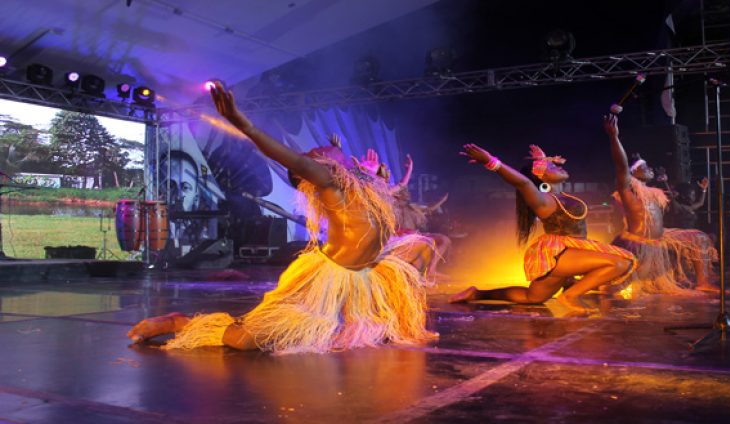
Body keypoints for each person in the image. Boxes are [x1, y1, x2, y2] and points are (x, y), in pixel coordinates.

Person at [128, 82, 437, 353]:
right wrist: (243, 124)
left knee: (423, 247)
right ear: (318, 165)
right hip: (326, 282)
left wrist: (376, 178)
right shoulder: (327, 182)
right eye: (320, 151)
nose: (328, 149)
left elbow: (383, 212)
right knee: (246, 340)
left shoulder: (360, 185)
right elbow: (283, 155)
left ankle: (368, 318)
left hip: (364, 278)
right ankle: (178, 322)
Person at [449, 143, 636, 314]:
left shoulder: (560, 195)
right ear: (542, 177)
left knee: (533, 298)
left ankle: (476, 294)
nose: (559, 166)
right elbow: (523, 183)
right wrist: (491, 161)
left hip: (574, 251)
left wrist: (543, 160)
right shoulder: (543, 200)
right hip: (558, 253)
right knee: (620, 262)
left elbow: (536, 177)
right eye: (553, 168)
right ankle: (570, 295)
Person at [603, 114, 718, 295]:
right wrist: (614, 137)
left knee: (700, 238)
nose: (649, 168)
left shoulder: (653, 193)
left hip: (661, 237)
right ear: (633, 173)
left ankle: (703, 282)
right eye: (644, 166)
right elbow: (621, 166)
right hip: (639, 243)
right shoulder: (628, 190)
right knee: (614, 287)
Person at [390, 154, 452, 279]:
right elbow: (401, 185)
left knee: (444, 240)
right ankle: (417, 274)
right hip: (400, 237)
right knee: (423, 244)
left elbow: (429, 209)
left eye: (407, 192)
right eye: (403, 193)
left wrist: (441, 201)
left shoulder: (413, 208)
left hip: (415, 235)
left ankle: (431, 270)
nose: (406, 194)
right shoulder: (390, 207)